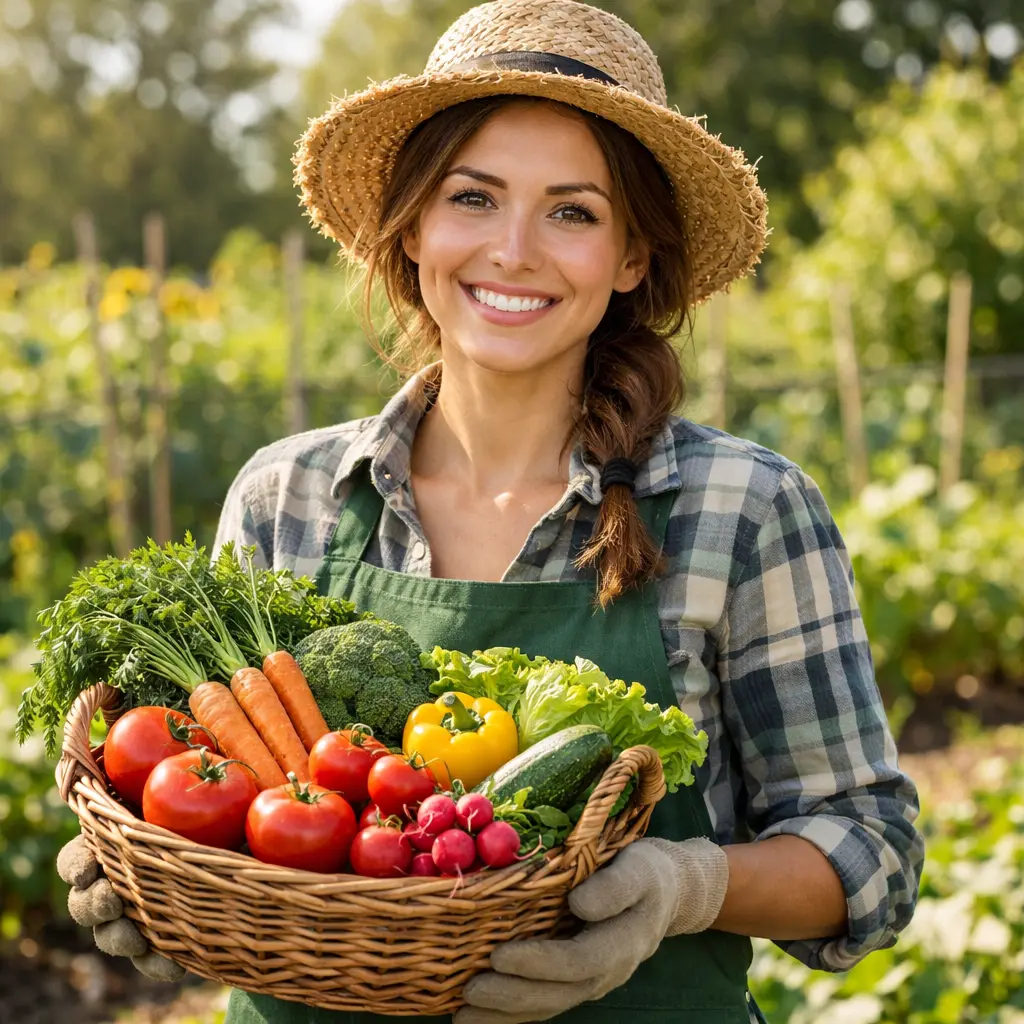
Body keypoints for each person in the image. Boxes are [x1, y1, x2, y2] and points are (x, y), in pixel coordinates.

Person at [57, 1, 925, 1021]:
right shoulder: (284, 496)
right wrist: (151, 877)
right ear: (413, 224)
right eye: (473, 197)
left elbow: (867, 846)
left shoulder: (742, 509)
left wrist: (686, 886)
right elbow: (202, 795)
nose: (513, 250)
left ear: (631, 258)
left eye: (572, 211)